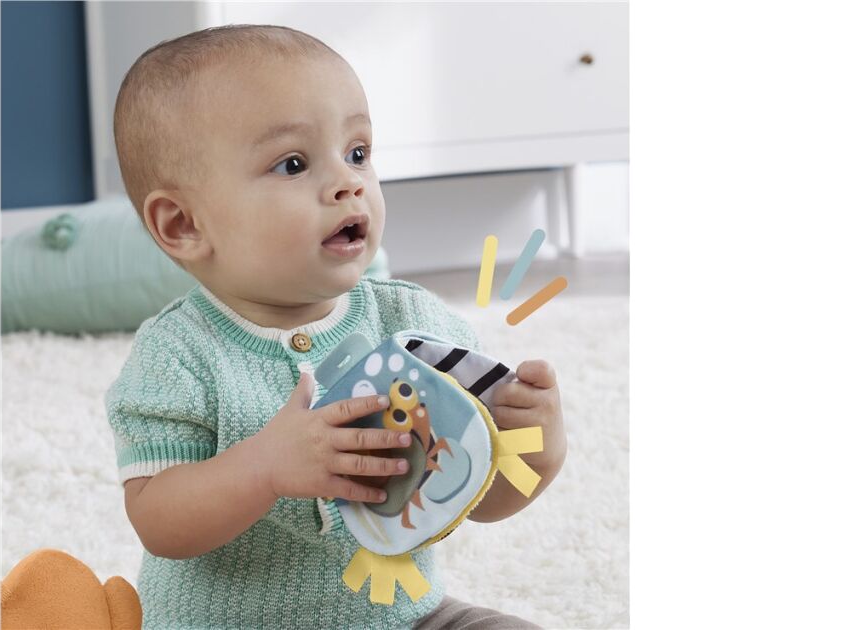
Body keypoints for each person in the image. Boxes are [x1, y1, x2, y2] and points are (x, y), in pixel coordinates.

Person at [106, 24, 565, 629]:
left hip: (405, 618)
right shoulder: (178, 355)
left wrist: (535, 448)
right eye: (293, 164)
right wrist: (263, 467)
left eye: (358, 153)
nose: (350, 182)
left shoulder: (414, 324)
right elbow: (158, 521)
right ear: (184, 225)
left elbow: (474, 497)